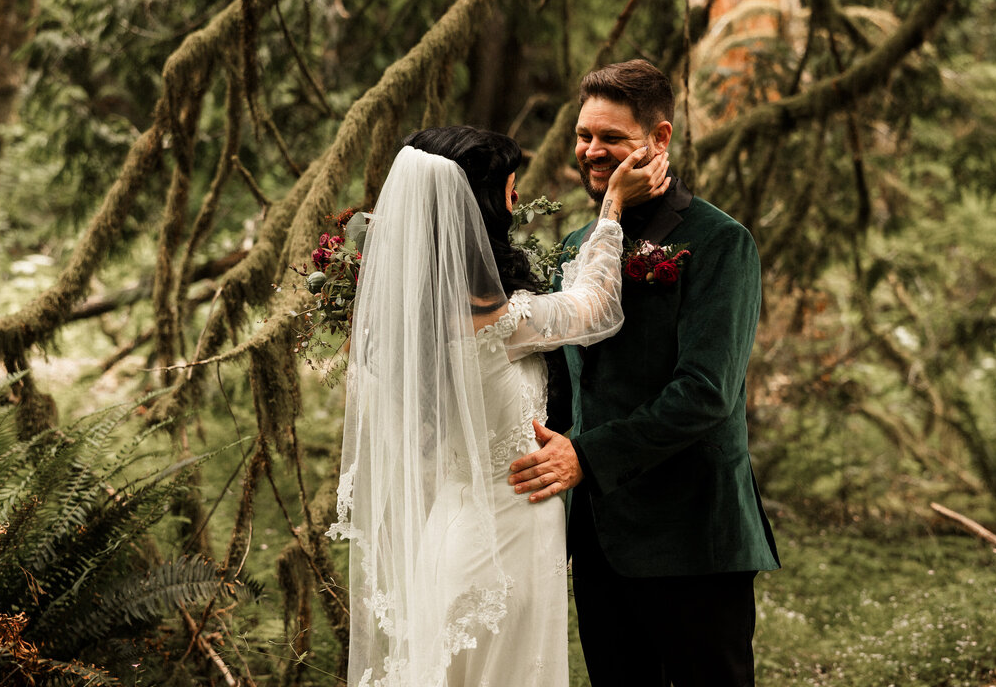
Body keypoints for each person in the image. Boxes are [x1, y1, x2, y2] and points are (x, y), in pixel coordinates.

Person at [327, 126, 669, 687]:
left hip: (455, 531)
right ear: (480, 205)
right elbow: (595, 306)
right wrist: (612, 207)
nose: (517, 199)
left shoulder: (415, 312)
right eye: (511, 189)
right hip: (504, 545)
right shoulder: (489, 316)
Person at [508, 60, 781, 686]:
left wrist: (586, 456)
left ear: (659, 138)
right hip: (598, 538)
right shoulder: (578, 244)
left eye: (612, 137)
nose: (591, 150)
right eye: (584, 135)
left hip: (692, 536)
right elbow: (566, 384)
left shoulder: (719, 242)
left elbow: (705, 393)